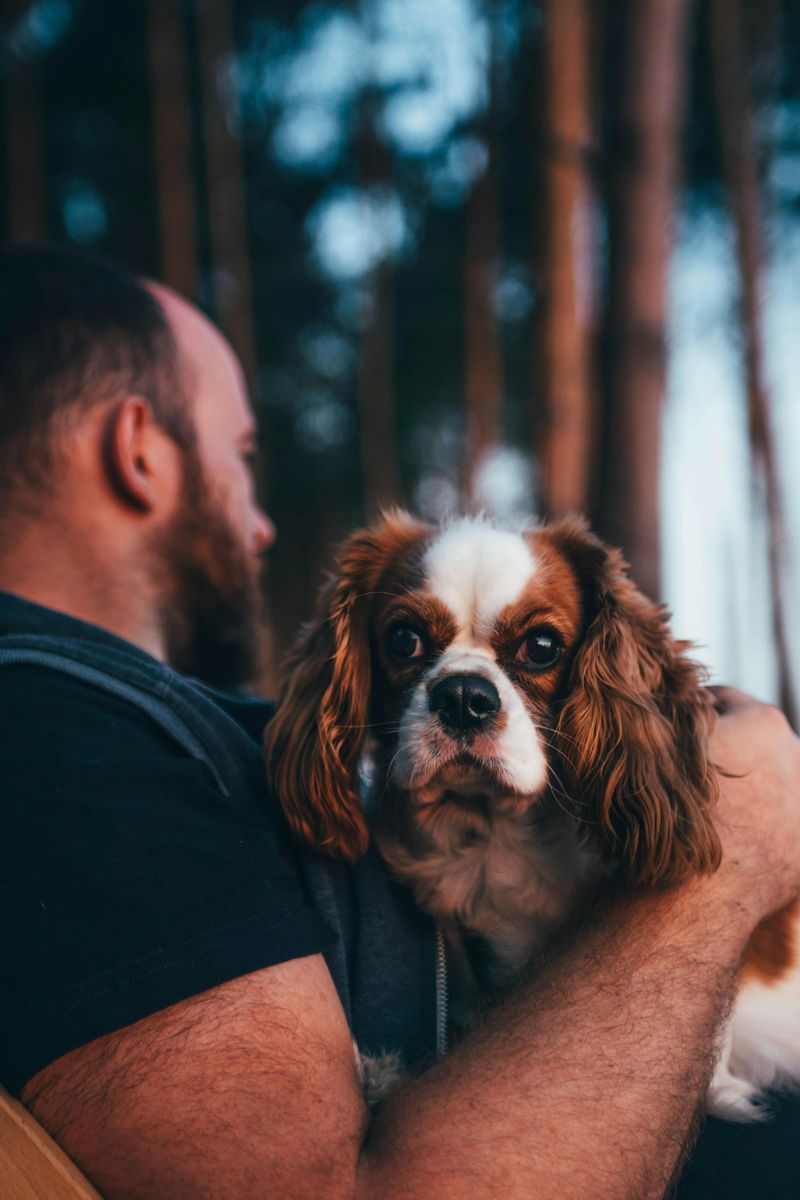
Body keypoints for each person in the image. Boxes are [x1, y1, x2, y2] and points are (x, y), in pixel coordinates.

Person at [1, 243, 799, 1200]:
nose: (263, 524)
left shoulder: (152, 725)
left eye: (536, 651)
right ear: (138, 448)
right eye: (243, 457)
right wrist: (741, 847)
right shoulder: (56, 738)